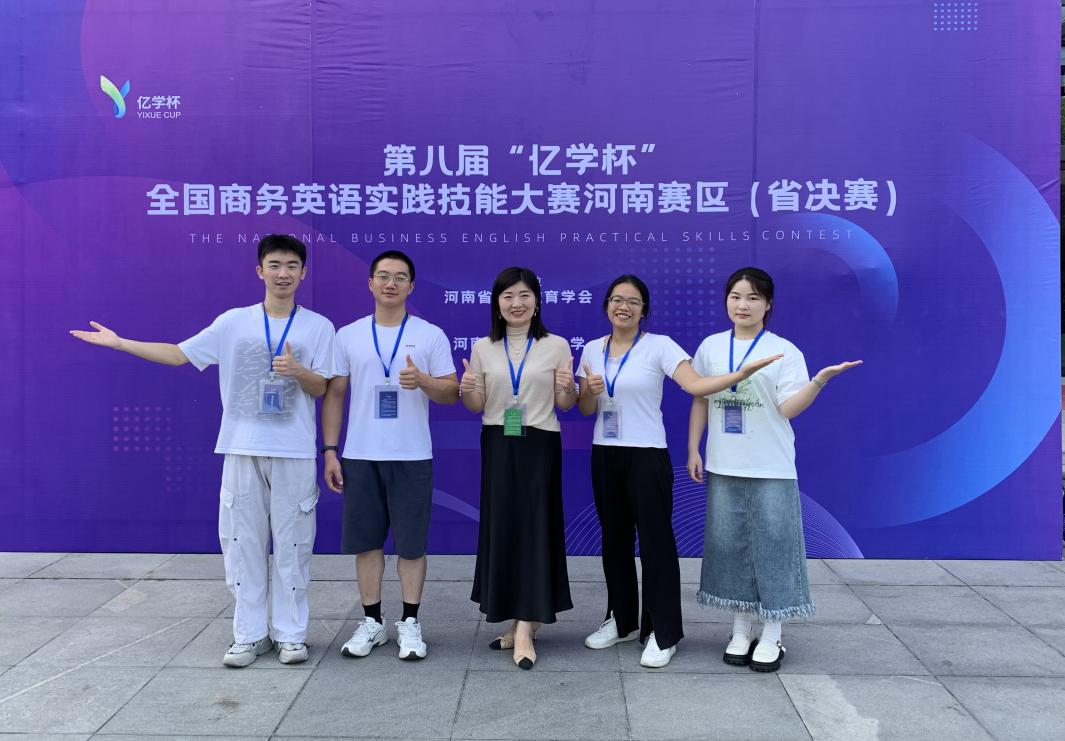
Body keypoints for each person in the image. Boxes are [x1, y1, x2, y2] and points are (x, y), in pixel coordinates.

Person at [70, 234, 336, 668]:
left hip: (294, 450)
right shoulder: (233, 322)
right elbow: (179, 355)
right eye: (275, 265)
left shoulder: (319, 326)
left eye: (292, 266)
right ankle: (249, 635)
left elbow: (322, 386)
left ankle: (291, 636)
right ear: (260, 271)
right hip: (241, 446)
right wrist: (121, 343)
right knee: (242, 543)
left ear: (303, 273)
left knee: (293, 545)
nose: (283, 273)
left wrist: (298, 371)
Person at [576, 275, 782, 668]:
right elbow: (586, 408)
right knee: (614, 541)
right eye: (617, 300)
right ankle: (621, 620)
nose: (623, 307)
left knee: (656, 545)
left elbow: (696, 386)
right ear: (606, 306)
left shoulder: (660, 346)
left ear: (644, 310)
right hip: (605, 454)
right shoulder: (591, 350)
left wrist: (739, 376)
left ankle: (663, 632)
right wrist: (588, 390)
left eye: (633, 301)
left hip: (647, 456)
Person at [687, 266, 861, 672]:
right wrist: (693, 447)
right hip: (724, 464)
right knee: (730, 548)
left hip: (771, 466)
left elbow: (787, 409)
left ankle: (772, 632)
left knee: (774, 549)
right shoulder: (711, 347)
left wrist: (818, 382)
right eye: (735, 296)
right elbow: (700, 398)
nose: (742, 305)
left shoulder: (785, 351)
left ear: (768, 304)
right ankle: (740, 629)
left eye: (753, 297)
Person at [321, 250, 458, 661]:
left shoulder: (430, 335)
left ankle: (410, 622)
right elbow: (335, 395)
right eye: (383, 276)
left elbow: (451, 392)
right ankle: (372, 621)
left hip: (411, 455)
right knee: (366, 543)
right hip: (360, 454)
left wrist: (424, 381)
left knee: (412, 545)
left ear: (411, 286)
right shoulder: (348, 335)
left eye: (400, 277)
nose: (391, 283)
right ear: (370, 283)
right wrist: (330, 451)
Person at [459, 267, 577, 669]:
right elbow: (476, 406)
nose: (517, 303)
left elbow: (566, 404)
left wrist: (569, 385)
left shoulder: (556, 345)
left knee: (535, 531)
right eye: (508, 296)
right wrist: (467, 389)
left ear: (537, 302)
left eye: (525, 295)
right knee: (505, 530)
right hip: (498, 443)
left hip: (539, 444)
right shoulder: (483, 348)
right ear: (497, 303)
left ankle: (526, 627)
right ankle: (519, 618)